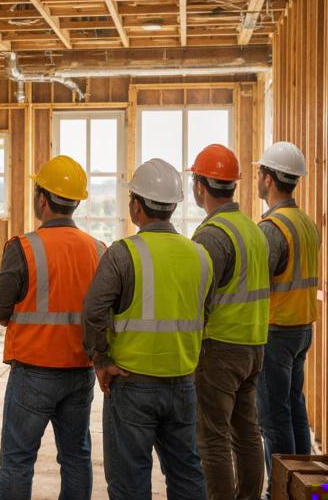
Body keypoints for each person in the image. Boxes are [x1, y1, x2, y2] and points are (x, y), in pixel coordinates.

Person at [82, 158, 214, 500]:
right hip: (183, 383)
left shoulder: (123, 254)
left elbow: (94, 311)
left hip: (131, 383)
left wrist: (101, 360)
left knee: (130, 482)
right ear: (172, 206)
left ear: (137, 206)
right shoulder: (200, 255)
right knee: (186, 474)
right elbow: (206, 312)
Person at [0, 155, 105, 500]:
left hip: (33, 373)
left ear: (42, 200)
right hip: (80, 372)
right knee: (76, 457)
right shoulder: (98, 249)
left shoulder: (23, 247)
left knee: (17, 461)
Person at [188, 144, 269, 500]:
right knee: (247, 432)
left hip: (220, 348)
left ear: (202, 186)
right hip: (254, 344)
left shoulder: (211, 235)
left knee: (213, 438)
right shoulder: (252, 228)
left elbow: (198, 302)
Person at [254, 141, 321, 499]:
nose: (257, 178)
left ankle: (279, 490)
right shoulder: (307, 223)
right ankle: (303, 484)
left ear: (268, 178)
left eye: (259, 172)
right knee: (295, 407)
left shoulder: (272, 228)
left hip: (277, 330)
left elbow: (255, 284)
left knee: (273, 417)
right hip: (302, 329)